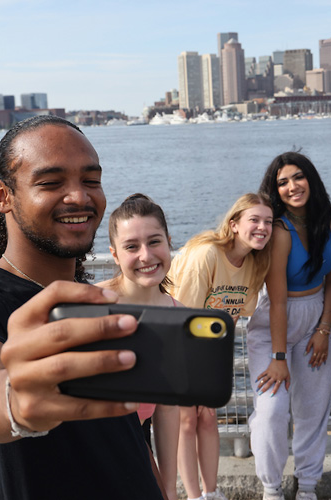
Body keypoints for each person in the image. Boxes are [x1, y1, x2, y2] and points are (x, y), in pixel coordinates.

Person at [0, 115, 164, 499]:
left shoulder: (91, 302)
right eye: (51, 183)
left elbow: (131, 436)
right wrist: (14, 401)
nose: (79, 196)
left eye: (91, 180)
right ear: (2, 196)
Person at [248, 152, 331, 500]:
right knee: (272, 410)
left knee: (312, 409)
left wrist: (323, 328)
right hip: (275, 321)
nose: (292, 187)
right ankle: (271, 486)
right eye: (282, 182)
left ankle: (307, 486)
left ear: (311, 179)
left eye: (298, 177)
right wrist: (278, 355)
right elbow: (276, 299)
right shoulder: (279, 229)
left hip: (317, 315)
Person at [168, 193, 274, 500]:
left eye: (268, 221)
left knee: (209, 417)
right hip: (178, 344)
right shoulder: (207, 255)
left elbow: (235, 314)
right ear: (234, 224)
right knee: (187, 420)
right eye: (254, 220)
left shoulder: (255, 263)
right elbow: (183, 315)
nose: (262, 227)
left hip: (212, 348)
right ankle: (193, 495)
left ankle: (211, 492)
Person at [97, 193, 182, 500]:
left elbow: (168, 409)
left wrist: (169, 488)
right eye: (132, 246)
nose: (146, 256)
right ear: (115, 255)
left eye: (154, 241)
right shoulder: (91, 304)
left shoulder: (177, 315)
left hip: (136, 440)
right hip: (90, 446)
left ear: (169, 242)